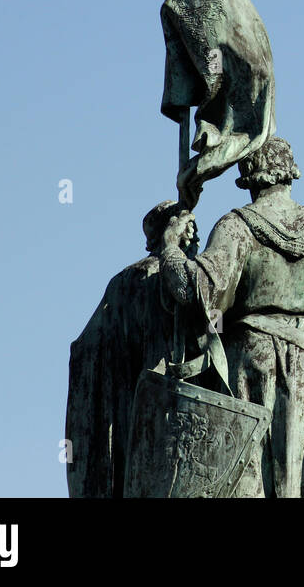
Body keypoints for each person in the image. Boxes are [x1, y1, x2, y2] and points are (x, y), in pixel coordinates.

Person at [158, 137, 304, 497]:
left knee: (254, 479)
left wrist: (171, 248)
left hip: (255, 369)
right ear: (290, 175)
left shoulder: (237, 226)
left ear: (248, 176)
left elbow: (192, 291)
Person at [66, 200, 192, 497]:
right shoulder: (149, 280)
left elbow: (86, 349)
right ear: (171, 232)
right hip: (163, 404)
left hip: (133, 405)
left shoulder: (122, 281)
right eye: (188, 226)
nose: (194, 232)